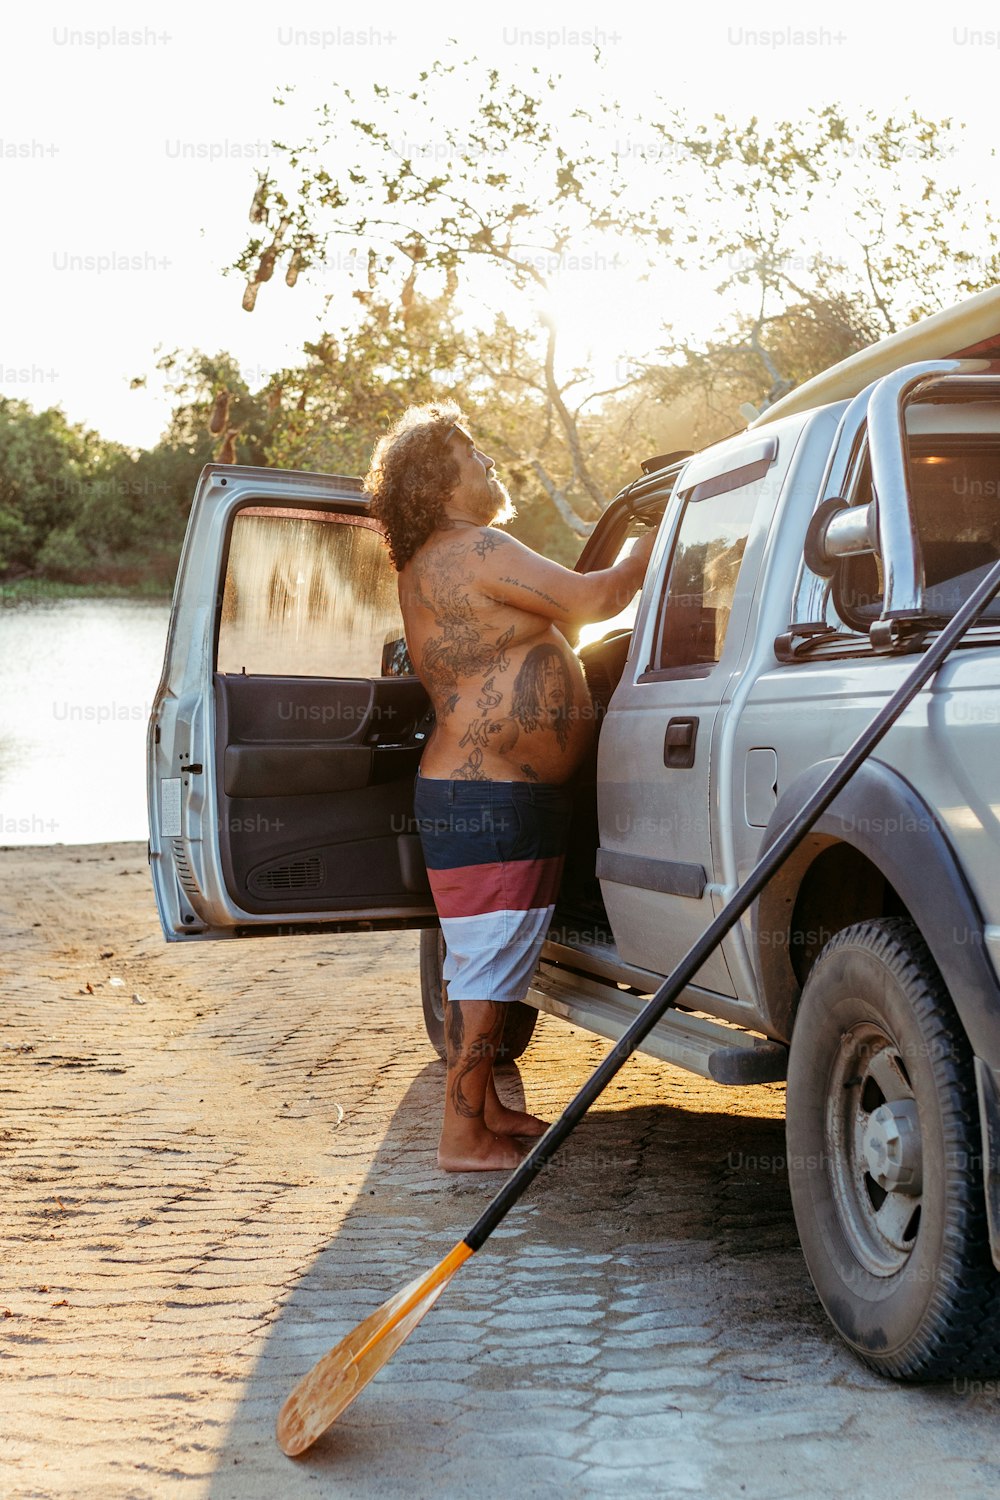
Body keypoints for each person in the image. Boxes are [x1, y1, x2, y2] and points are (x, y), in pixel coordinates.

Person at [365, 401, 656, 1171]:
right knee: (492, 966)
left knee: (476, 963)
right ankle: (462, 1138)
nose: (488, 462)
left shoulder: (427, 561)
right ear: (438, 477)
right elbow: (595, 600)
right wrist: (657, 535)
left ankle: (485, 1111)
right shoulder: (477, 547)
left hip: (471, 793)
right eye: (472, 453)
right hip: (495, 798)